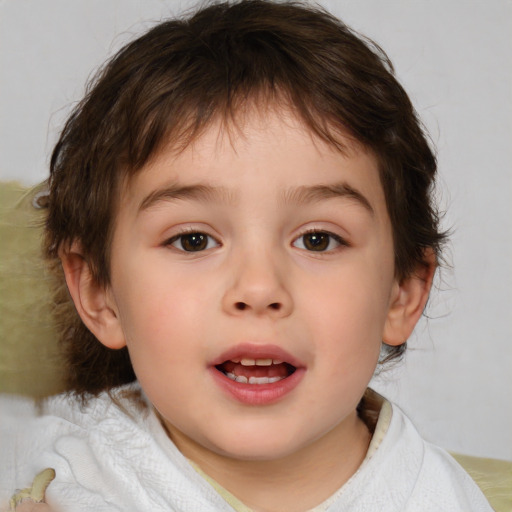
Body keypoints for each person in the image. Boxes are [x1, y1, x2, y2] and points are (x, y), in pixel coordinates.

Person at [0, 1, 493, 510]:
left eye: (318, 239)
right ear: (100, 293)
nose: (259, 289)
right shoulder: (53, 476)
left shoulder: (436, 496)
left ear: (403, 293)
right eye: (193, 240)